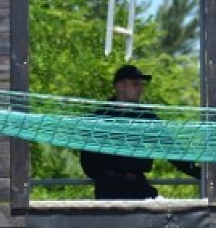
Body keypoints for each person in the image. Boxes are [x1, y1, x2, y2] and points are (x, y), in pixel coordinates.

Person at [79, 64, 201, 200]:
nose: (141, 89)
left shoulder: (145, 115)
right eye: (136, 85)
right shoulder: (100, 117)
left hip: (138, 184)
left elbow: (169, 145)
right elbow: (87, 160)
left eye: (141, 85)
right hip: (109, 188)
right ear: (120, 86)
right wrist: (106, 175)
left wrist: (196, 170)